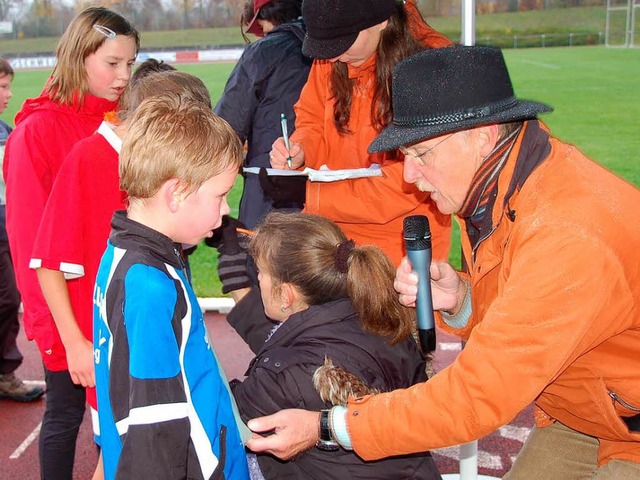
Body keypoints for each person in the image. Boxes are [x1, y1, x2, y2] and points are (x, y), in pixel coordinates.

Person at [245, 45, 640, 478]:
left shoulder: (565, 232)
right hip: (589, 410)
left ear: (483, 136)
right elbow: (545, 313)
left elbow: (477, 396)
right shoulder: (509, 184)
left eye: (421, 155)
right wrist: (464, 299)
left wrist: (330, 424)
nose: (410, 177)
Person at [31, 68, 210, 477]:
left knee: (121, 454)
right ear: (156, 121)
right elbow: (47, 264)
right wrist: (74, 342)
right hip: (110, 342)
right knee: (119, 454)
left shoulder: (155, 167)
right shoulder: (88, 158)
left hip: (150, 331)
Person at [2, 7, 139, 479]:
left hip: (124, 296)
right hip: (70, 310)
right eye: (112, 63)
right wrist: (57, 332)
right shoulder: (35, 133)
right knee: (65, 413)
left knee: (127, 414)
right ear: (79, 58)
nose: (123, 76)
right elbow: (27, 242)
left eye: (130, 64)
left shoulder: (127, 123)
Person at [93, 93, 250, 480]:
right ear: (176, 193)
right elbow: (153, 425)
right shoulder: (149, 287)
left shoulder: (130, 254)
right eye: (220, 195)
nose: (227, 208)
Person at [228, 211, 441, 479]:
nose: (257, 279)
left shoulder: (285, 377)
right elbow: (295, 342)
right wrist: (237, 286)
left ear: (286, 294)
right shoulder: (375, 320)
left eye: (261, 273)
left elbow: (223, 415)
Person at [269, 0, 452, 267]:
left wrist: (315, 196)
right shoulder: (336, 55)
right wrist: (299, 150)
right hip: (330, 237)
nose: (331, 57)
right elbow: (311, 120)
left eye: (342, 42)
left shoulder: (432, 62)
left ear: (381, 20)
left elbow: (410, 182)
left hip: (396, 253)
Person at [212, 0, 311, 297]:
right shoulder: (330, 46)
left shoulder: (264, 50)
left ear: (264, 19)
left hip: (268, 188)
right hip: (327, 187)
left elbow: (225, 128)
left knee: (267, 284)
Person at [0, 57, 45, 402]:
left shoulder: (6, 129)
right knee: (6, 297)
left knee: (8, 298)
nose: (9, 94)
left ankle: (4, 373)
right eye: (2, 86)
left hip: (7, 227)